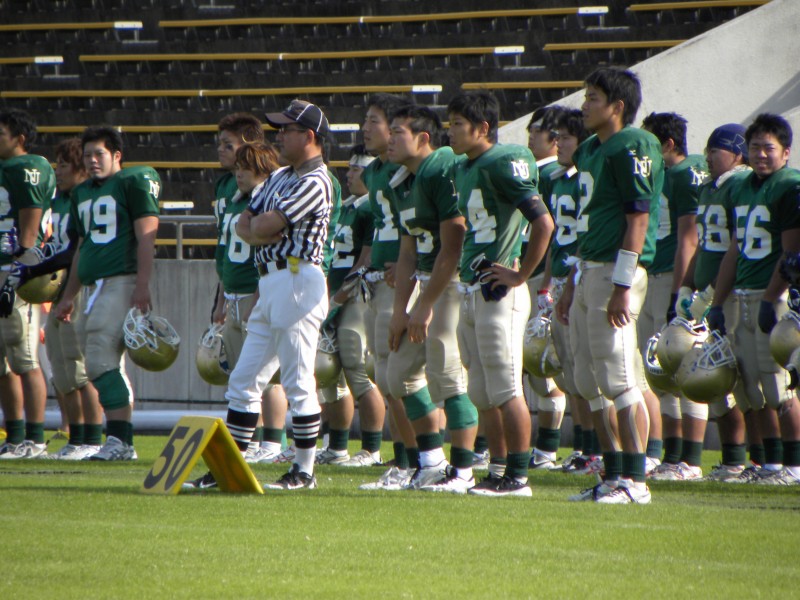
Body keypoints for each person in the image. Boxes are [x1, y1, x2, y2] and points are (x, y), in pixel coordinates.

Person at [556, 67, 665, 504]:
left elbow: (637, 218)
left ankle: (635, 481)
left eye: (593, 98)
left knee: (619, 377)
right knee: (588, 380)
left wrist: (622, 283)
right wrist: (572, 281)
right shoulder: (591, 150)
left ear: (617, 107)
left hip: (614, 272)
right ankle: (613, 474)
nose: (584, 105)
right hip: (588, 269)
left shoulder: (634, 143)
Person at [220, 99, 333, 490]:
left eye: (287, 130)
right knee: (244, 380)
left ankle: (304, 471)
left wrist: (260, 229)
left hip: (297, 279)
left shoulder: (316, 180)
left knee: (298, 381)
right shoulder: (282, 175)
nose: (279, 136)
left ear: (309, 136)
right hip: (271, 280)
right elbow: (245, 225)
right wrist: (260, 230)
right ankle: (228, 468)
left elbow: (265, 223)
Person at [447, 90, 554, 496]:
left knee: (507, 388)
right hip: (473, 287)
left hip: (499, 291)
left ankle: (519, 476)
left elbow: (543, 223)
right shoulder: (464, 167)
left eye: (458, 124)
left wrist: (521, 274)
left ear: (482, 128)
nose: (451, 131)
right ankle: (496, 469)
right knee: (482, 391)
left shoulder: (502, 161)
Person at [386, 103, 479, 493]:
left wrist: (425, 305)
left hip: (450, 282)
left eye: (397, 132)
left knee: (449, 376)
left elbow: (453, 245)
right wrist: (400, 310)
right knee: (399, 376)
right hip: (425, 283)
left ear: (423, 138)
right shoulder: (401, 180)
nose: (389, 139)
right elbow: (407, 251)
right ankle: (431, 463)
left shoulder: (443, 168)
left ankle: (463, 471)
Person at [54, 125, 161, 461]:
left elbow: (147, 236)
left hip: (121, 281)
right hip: (93, 287)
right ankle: (118, 440)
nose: (92, 161)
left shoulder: (132, 181)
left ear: (116, 155)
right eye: (87, 155)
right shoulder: (82, 193)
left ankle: (120, 441)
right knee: (99, 362)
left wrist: (142, 284)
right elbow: (82, 248)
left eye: (99, 154)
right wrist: (69, 295)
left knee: (100, 360)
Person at [708, 113, 800, 485]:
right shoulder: (742, 187)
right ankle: (770, 464)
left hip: (774, 297)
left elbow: (791, 253)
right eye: (755, 147)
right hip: (743, 296)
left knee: (780, 385)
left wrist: (770, 298)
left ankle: (795, 465)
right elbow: (735, 249)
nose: (761, 154)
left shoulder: (789, 185)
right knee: (751, 388)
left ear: (786, 152)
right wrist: (718, 302)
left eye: (769, 148)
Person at [5, 138, 104, 459]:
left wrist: (36, 270)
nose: (57, 171)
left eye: (64, 165)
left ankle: (92, 438)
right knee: (63, 373)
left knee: (81, 370)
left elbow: (74, 252)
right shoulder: (58, 202)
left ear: (80, 169)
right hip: (60, 290)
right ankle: (76, 437)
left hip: (79, 288)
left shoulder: (84, 201)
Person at [676, 123, 752, 481]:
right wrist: (687, 286)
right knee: (714, 377)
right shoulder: (710, 187)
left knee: (746, 383)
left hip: (732, 295)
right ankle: (733, 459)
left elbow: (737, 246)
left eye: (716, 149)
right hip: (708, 293)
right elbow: (704, 244)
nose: (708, 156)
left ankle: (765, 460)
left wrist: (711, 294)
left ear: (737, 153)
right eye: (707, 149)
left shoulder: (741, 184)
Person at [639, 112, 708, 479]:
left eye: (651, 142)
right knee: (659, 370)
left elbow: (688, 238)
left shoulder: (684, 174)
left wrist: (680, 291)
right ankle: (672, 455)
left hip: (673, 279)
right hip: (653, 276)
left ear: (667, 144)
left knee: (685, 365)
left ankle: (691, 460)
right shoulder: (662, 174)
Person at [358, 93, 420, 492]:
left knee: (401, 377)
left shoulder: (408, 170)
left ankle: (418, 460)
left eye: (375, 121)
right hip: (378, 280)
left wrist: (407, 264)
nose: (366, 129)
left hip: (402, 282)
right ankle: (404, 459)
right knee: (383, 375)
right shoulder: (376, 172)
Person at [315, 144, 387, 467]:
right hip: (333, 295)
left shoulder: (372, 208)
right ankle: (337, 448)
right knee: (332, 377)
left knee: (358, 372)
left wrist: (341, 295)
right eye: (350, 168)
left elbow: (367, 258)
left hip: (356, 297)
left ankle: (371, 450)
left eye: (357, 169)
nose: (349, 174)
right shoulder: (345, 207)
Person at [540, 108, 599, 473]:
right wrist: (546, 283)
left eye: (566, 138)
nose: (558, 143)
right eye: (557, 137)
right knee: (569, 373)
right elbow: (554, 241)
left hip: (581, 277)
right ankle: (582, 446)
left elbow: (583, 237)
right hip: (561, 278)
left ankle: (596, 449)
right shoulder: (558, 179)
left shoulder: (585, 180)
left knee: (586, 370)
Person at [0, 109, 55, 459]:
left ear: (19, 139)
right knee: (2, 365)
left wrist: (18, 271)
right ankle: (15, 435)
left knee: (24, 357)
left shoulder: (29, 166)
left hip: (15, 270)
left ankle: (34, 438)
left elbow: (31, 226)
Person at [524, 105, 571, 470]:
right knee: (527, 367)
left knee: (544, 367)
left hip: (543, 277)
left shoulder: (553, 175)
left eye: (538, 130)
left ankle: (548, 449)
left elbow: (553, 233)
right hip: (531, 276)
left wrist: (545, 282)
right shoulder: (538, 173)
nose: (531, 137)